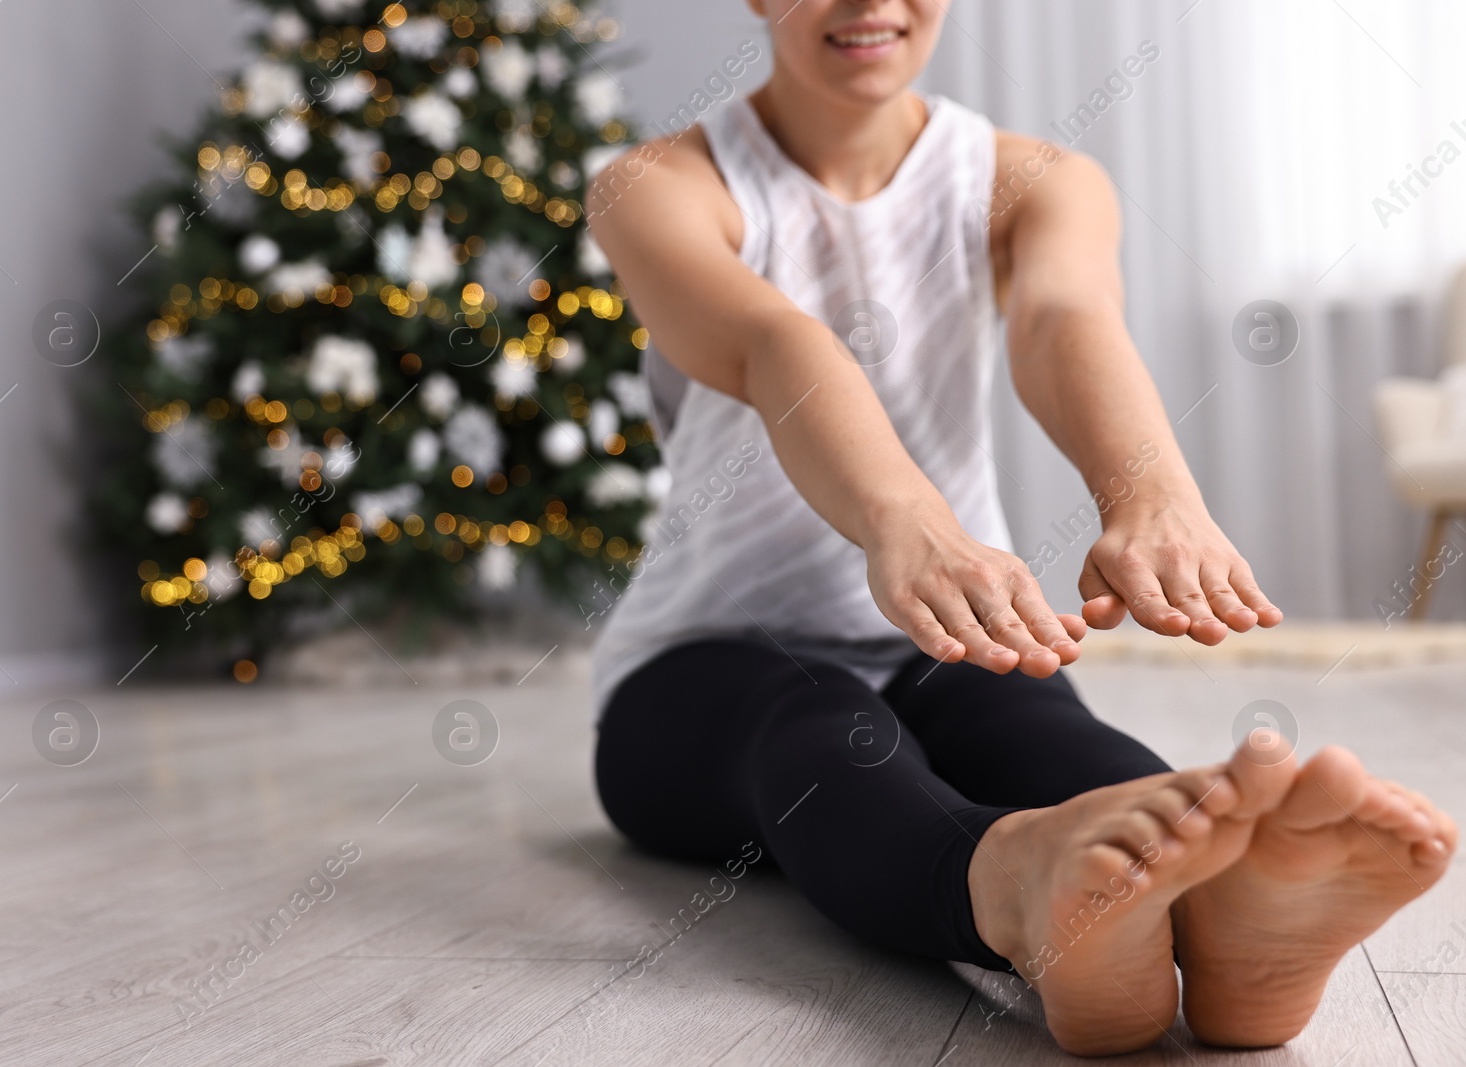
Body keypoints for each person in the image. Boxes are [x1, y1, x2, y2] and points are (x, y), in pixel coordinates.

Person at [582, 0, 1454, 1056]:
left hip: (943, 633)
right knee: (810, 721)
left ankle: (1222, 912)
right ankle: (1023, 897)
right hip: (698, 670)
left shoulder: (1035, 181)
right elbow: (778, 345)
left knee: (1050, 733)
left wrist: (1152, 495)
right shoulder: (658, 186)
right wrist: (904, 522)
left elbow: (1060, 318)